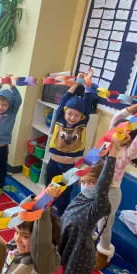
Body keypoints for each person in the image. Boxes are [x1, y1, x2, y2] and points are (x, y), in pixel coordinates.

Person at [32, 138, 120, 274]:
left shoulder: (98, 204)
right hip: (69, 244)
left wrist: (112, 156)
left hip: (77, 250)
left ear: (100, 186)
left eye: (91, 183)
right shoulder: (81, 196)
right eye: (84, 182)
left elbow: (104, 184)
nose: (86, 185)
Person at [94, 101, 137, 270]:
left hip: (111, 192)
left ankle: (103, 254)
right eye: (117, 131)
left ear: (129, 138)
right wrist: (132, 109)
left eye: (123, 133)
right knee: (91, 219)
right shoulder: (108, 142)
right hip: (95, 186)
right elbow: (117, 118)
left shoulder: (127, 152)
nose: (118, 135)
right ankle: (89, 245)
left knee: (104, 226)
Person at [45, 70, 95, 216]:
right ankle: (47, 212)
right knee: (50, 189)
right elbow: (64, 99)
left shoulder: (82, 125)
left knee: (65, 193)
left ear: (82, 116)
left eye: (77, 115)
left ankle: (61, 215)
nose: (72, 117)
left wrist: (87, 83)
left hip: (69, 166)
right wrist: (75, 83)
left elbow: (87, 103)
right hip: (54, 163)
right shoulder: (60, 119)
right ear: (64, 112)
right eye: (70, 113)